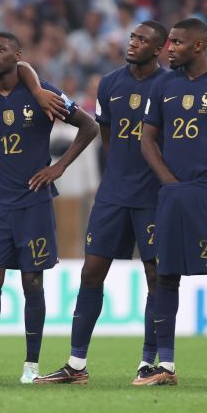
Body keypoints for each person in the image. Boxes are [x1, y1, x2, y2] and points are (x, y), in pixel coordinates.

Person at [0, 32, 98, 384]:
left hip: (34, 203)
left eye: (0, 50)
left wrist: (59, 167)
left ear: (17, 55)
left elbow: (90, 126)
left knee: (32, 282)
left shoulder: (43, 92)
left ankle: (31, 367)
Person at [34, 21, 169, 385]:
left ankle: (148, 362)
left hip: (154, 196)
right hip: (113, 194)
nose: (133, 43)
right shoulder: (110, 83)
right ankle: (76, 364)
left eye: (143, 40)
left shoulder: (170, 85)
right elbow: (106, 136)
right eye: (132, 37)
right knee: (91, 272)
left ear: (159, 49)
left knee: (156, 277)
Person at [138, 17, 207, 387]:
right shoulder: (163, 86)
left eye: (177, 42)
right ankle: (165, 367)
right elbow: (146, 140)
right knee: (165, 278)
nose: (169, 48)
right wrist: (169, 183)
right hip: (172, 198)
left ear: (198, 45)